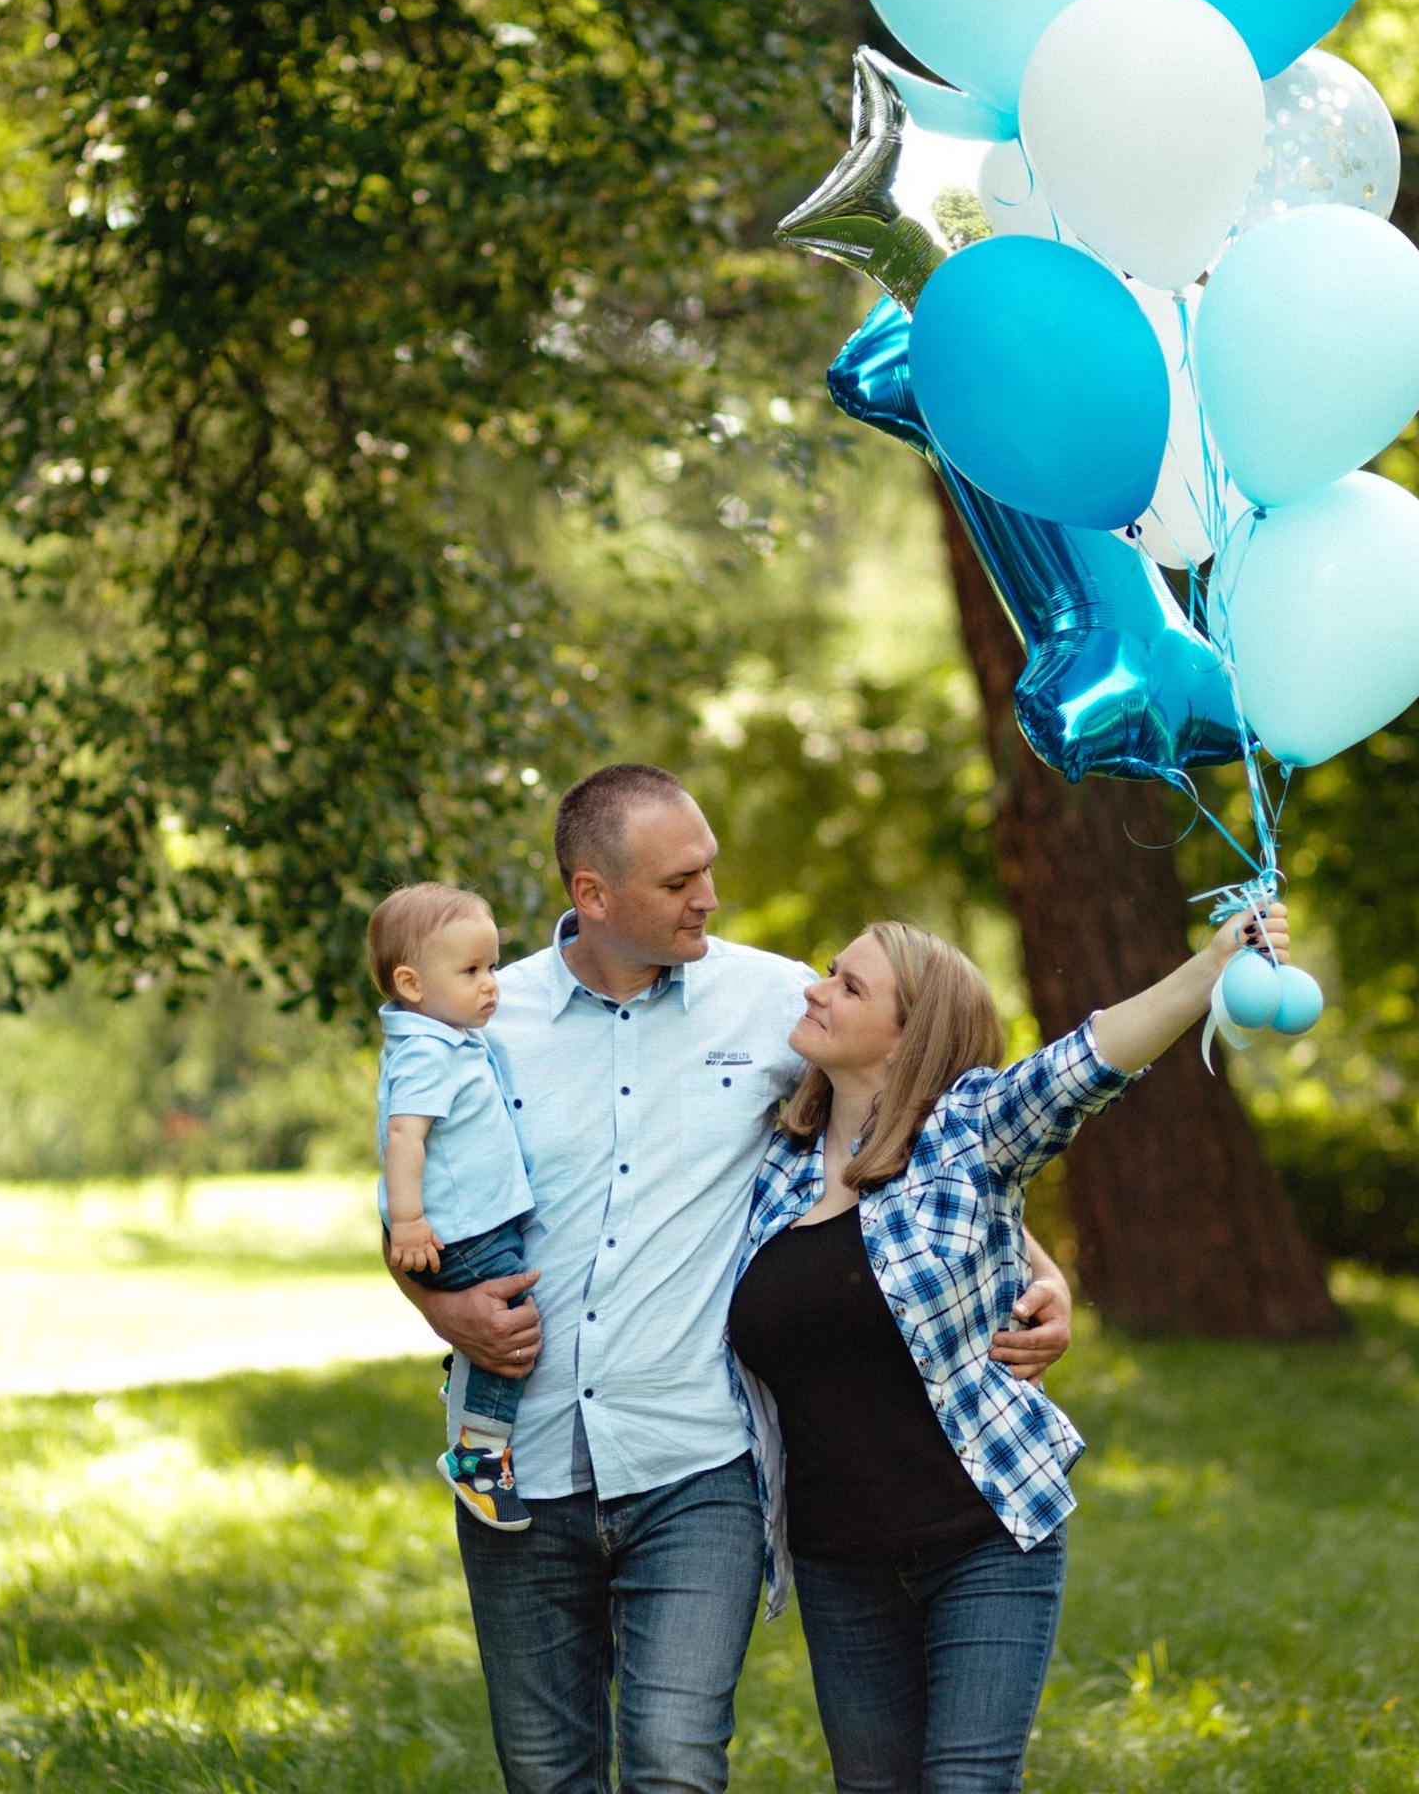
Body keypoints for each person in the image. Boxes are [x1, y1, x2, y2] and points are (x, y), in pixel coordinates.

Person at [384, 763, 1075, 1794]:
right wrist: (444, 1308)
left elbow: (917, 1134)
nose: (707, 897)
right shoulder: (484, 1019)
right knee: (543, 1770)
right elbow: (409, 1218)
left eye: (707, 871)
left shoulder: (770, 1003)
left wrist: (1040, 1267)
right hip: (517, 1461)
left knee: (674, 1761)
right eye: (677, 883)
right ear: (592, 895)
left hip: (696, 1461)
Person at [727, 906, 1291, 1794]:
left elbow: (1092, 1058)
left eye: (849, 984)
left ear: (908, 1034)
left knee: (966, 1783)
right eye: (829, 971)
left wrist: (1213, 963)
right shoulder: (772, 1165)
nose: (815, 988)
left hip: (983, 1534)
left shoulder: (968, 1132)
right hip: (838, 1559)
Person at [369, 881, 536, 1531]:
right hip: (460, 1232)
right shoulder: (425, 1051)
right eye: (471, 971)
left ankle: (465, 1384)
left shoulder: (447, 1036)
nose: (491, 983)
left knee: (498, 1330)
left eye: (492, 966)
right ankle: (478, 1455)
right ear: (411, 984)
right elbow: (404, 1136)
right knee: (511, 1331)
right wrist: (408, 1223)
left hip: (472, 1223)